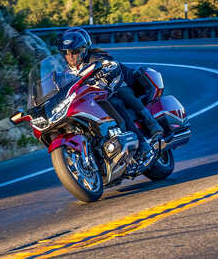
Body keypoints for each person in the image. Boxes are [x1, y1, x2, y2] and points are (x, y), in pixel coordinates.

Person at [58, 28, 163, 160]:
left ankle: (148, 129)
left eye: (74, 51)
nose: (71, 56)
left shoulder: (96, 57)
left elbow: (111, 66)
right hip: (92, 97)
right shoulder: (66, 72)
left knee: (117, 99)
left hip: (117, 85)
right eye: (66, 53)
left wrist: (104, 70)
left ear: (84, 49)